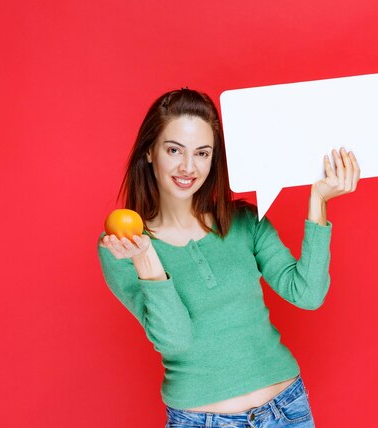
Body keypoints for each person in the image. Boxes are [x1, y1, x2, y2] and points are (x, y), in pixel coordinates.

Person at [98, 88, 360, 427]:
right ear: (150, 151)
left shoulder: (244, 221)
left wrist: (318, 201)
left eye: (202, 153)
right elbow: (175, 340)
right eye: (174, 149)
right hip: (201, 420)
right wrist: (146, 258)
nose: (188, 166)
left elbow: (307, 294)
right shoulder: (123, 246)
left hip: (287, 410)